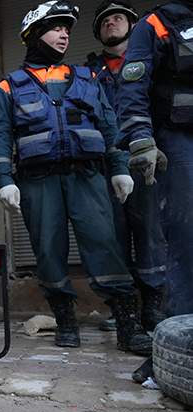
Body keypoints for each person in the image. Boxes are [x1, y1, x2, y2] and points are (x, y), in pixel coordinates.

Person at [0, 1, 151, 354]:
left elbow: (109, 125)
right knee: (47, 252)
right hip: (37, 180)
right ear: (33, 34)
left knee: (104, 245)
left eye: (67, 28)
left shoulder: (87, 77)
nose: (64, 34)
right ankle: (65, 319)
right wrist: (4, 179)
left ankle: (127, 324)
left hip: (87, 177)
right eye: (56, 27)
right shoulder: (9, 87)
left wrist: (120, 169)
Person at [85, 2, 167, 333]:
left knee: (151, 231)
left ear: (134, 25)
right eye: (105, 21)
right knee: (112, 236)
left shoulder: (152, 63)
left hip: (147, 157)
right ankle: (124, 307)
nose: (112, 23)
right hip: (107, 164)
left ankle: (154, 306)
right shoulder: (89, 74)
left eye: (118, 18)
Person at [114, 0, 193, 318]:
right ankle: (182, 336)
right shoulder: (157, 24)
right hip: (179, 139)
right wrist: (140, 138)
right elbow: (133, 84)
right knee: (186, 237)